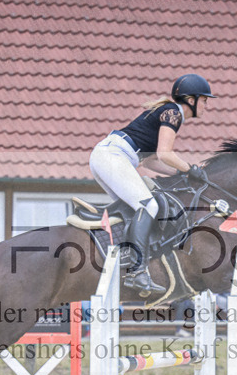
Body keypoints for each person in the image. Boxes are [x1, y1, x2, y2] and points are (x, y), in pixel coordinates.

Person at [89, 74, 215, 296]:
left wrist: (182, 174)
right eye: (204, 100)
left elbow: (150, 161)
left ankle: (125, 257)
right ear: (191, 100)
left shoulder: (168, 112)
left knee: (134, 207)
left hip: (108, 156)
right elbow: (165, 153)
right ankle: (137, 271)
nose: (207, 105)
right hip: (113, 156)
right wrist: (190, 169)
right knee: (149, 206)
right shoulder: (173, 113)